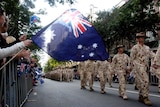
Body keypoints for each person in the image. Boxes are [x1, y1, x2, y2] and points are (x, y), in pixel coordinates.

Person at [130, 32, 154, 106]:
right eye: (140, 37)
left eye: (143, 37)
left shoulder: (147, 48)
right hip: (138, 67)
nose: (142, 39)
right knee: (145, 80)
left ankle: (140, 96)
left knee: (141, 82)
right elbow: (131, 58)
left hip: (145, 66)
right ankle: (145, 97)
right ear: (137, 39)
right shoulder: (135, 48)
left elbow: (152, 55)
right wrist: (131, 69)